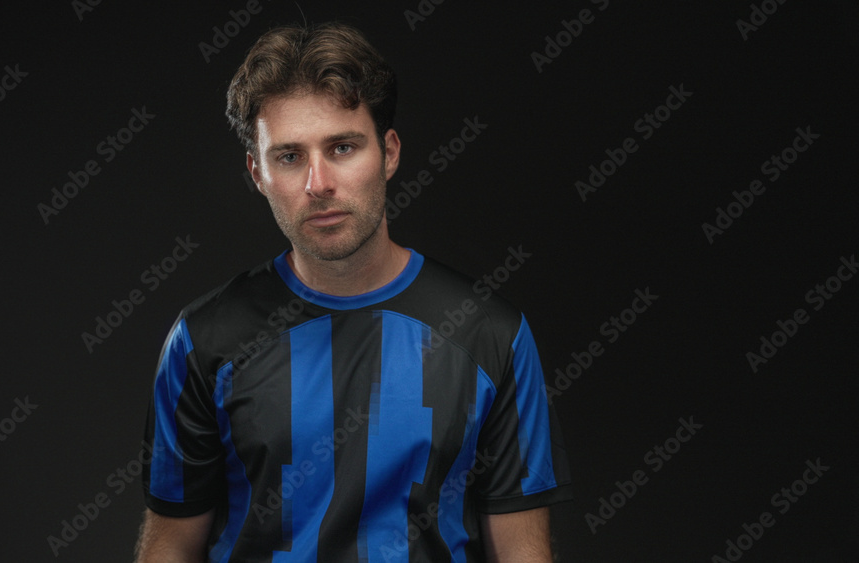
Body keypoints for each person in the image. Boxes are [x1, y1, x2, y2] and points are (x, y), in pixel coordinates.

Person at [136, 22, 571, 562]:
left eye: (342, 147)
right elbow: (170, 549)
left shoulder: (491, 337)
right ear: (257, 173)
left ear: (388, 153)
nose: (318, 183)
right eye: (289, 156)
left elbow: (524, 555)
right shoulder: (202, 341)